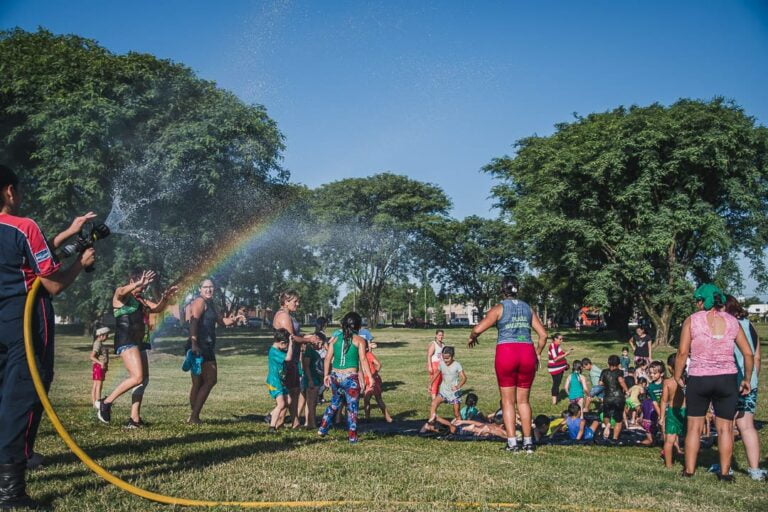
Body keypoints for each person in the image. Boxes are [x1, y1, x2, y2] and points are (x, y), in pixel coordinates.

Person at [0, 164, 95, 508]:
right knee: (23, 394)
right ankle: (11, 489)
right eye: (20, 191)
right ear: (10, 191)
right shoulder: (25, 226)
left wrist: (68, 233)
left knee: (2, 393)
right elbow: (51, 283)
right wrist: (80, 266)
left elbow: (20, 258)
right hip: (24, 318)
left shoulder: (17, 232)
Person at [673, 284, 753, 481]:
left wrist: (677, 374)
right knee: (725, 428)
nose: (697, 304)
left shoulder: (692, 320)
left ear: (703, 300)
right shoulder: (733, 321)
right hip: (726, 378)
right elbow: (748, 353)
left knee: (694, 427)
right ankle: (725, 473)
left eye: (698, 300)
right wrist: (747, 379)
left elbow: (683, 352)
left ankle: (689, 470)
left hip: (699, 377)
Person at [467, 275, 548, 454]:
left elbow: (477, 328)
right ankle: (528, 443)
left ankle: (512, 443)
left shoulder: (499, 308)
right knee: (524, 401)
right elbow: (543, 335)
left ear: (502, 290)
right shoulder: (528, 308)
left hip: (507, 353)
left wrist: (472, 337)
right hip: (527, 351)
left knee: (508, 401)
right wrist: (538, 353)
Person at [97, 269, 178, 427]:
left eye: (143, 286)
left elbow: (157, 308)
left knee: (143, 380)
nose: (143, 288)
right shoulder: (121, 297)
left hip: (139, 341)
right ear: (133, 283)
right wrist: (138, 283)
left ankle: (134, 419)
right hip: (126, 340)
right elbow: (120, 291)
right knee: (137, 377)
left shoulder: (141, 300)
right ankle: (105, 403)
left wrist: (166, 298)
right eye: (140, 285)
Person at [183, 278, 244, 424]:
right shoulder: (200, 302)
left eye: (211, 287)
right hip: (200, 346)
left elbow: (222, 322)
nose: (209, 289)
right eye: (205, 287)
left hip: (206, 345)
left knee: (198, 383)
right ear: (200, 289)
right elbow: (193, 322)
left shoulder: (211, 304)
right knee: (210, 380)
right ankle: (194, 416)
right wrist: (194, 343)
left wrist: (235, 319)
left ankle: (194, 416)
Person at [725, 295, 765, 481]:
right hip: (750, 382)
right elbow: (756, 357)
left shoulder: (726, 325)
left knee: (726, 425)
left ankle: (727, 467)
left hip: (730, 381)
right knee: (747, 426)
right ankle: (755, 469)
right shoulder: (750, 325)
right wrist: (752, 378)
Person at [318, 312, 373, 443]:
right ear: (358, 326)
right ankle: (352, 436)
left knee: (335, 403)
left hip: (335, 377)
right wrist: (369, 377)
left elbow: (327, 359)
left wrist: (326, 375)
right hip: (350, 378)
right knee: (352, 408)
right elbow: (363, 359)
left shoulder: (335, 340)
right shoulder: (359, 340)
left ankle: (323, 427)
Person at [272, 290, 318, 428]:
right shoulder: (284, 316)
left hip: (292, 357)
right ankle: (284, 421)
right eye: (295, 301)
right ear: (286, 302)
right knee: (291, 390)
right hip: (287, 358)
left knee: (294, 390)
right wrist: (308, 339)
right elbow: (291, 338)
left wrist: (306, 336)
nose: (297, 304)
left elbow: (295, 334)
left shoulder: (286, 315)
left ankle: (292, 421)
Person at [425, 346, 467, 426]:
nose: (445, 360)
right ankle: (431, 424)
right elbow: (436, 373)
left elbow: (464, 378)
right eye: (444, 358)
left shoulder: (457, 365)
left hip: (454, 394)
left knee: (456, 413)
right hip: (444, 392)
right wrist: (430, 384)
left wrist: (458, 386)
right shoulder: (441, 364)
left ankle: (461, 427)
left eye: (447, 358)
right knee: (434, 403)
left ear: (452, 356)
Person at [660, 354, 686, 468]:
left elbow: (664, 400)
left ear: (670, 368)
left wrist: (661, 417)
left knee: (669, 440)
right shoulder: (687, 381)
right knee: (689, 437)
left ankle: (669, 464)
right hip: (686, 410)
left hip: (672, 412)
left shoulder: (667, 383)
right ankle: (690, 463)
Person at [266, 328, 294, 430]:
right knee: (281, 403)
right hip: (274, 381)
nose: (287, 347)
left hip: (280, 381)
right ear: (282, 343)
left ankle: (270, 415)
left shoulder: (278, 350)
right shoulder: (274, 351)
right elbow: (288, 358)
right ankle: (272, 427)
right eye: (286, 344)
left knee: (289, 401)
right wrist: (291, 344)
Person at [599, 355, 628, 442]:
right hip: (618, 397)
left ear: (608, 363)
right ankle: (615, 438)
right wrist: (627, 390)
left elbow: (600, 383)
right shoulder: (619, 372)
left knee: (606, 414)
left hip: (607, 397)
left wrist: (607, 384)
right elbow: (620, 381)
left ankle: (607, 425)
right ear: (618, 364)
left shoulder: (604, 372)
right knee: (618, 419)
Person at [362, 342, 393, 423]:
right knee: (366, 399)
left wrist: (373, 374)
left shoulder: (368, 354)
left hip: (373, 379)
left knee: (377, 398)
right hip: (366, 379)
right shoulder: (360, 356)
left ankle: (388, 418)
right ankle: (367, 418)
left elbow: (378, 364)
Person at [89, 327, 111, 408]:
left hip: (98, 367)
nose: (107, 337)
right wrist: (101, 363)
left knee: (96, 385)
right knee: (98, 385)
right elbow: (91, 356)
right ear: (101, 335)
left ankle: (94, 403)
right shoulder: (98, 343)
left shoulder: (99, 343)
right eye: (106, 335)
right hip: (98, 367)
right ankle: (98, 402)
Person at [547, 333, 570, 405]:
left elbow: (560, 356)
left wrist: (565, 364)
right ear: (555, 339)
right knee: (556, 384)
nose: (561, 340)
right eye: (560, 339)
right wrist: (566, 354)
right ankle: (554, 402)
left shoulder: (557, 346)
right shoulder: (553, 346)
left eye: (562, 339)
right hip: (555, 368)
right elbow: (555, 359)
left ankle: (555, 400)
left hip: (559, 368)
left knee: (557, 383)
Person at [426, 330, 445, 399]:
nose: (441, 336)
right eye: (439, 335)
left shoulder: (443, 345)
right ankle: (434, 398)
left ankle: (436, 394)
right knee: (435, 382)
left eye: (442, 335)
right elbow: (429, 355)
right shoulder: (433, 344)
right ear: (436, 335)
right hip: (434, 364)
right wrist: (430, 366)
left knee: (440, 381)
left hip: (441, 365)